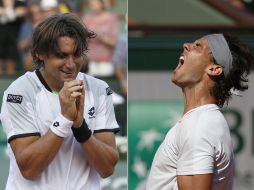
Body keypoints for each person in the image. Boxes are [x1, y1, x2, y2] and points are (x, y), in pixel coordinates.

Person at [1, 13, 119, 189]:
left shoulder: (99, 90)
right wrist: (64, 119)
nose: (71, 64)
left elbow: (107, 168)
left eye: (77, 54)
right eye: (61, 55)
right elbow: (30, 169)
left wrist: (80, 128)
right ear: (40, 54)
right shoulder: (19, 93)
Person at [146, 34, 254, 190]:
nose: (186, 45)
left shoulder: (199, 124)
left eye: (198, 46)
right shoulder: (202, 120)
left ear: (214, 69)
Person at [82, 0, 119, 77]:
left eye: (95, 2)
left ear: (102, 3)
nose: (92, 4)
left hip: (106, 63)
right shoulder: (87, 18)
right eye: (91, 3)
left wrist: (101, 37)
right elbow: (81, 39)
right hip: (89, 62)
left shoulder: (111, 18)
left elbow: (114, 43)